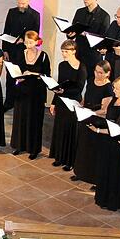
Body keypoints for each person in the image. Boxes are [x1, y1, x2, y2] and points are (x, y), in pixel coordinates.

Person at [93, 75, 120, 209]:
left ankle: (112, 201)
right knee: (104, 169)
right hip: (107, 141)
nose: (114, 90)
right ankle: (103, 198)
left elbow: (118, 130)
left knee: (113, 172)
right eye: (113, 87)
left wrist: (98, 130)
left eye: (116, 88)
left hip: (116, 144)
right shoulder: (115, 99)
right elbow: (108, 115)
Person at [10, 30, 50, 158]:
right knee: (20, 118)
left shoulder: (43, 56)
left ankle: (33, 149)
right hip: (22, 91)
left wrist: (34, 74)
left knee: (34, 120)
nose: (28, 45)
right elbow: (16, 70)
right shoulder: (20, 53)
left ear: (37, 42)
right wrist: (18, 77)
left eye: (31, 42)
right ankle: (19, 145)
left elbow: (47, 75)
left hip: (36, 92)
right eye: (26, 42)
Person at [71, 61, 114, 179]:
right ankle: (80, 172)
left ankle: (92, 176)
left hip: (97, 120)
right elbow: (86, 97)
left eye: (100, 73)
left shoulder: (108, 88)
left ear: (107, 73)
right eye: (96, 71)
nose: (97, 74)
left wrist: (91, 113)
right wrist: (80, 106)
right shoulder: (91, 81)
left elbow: (104, 110)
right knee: (83, 146)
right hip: (86, 116)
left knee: (93, 150)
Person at [49, 40, 87, 169]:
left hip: (73, 102)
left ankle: (69, 161)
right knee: (60, 129)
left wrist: (64, 91)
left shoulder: (82, 67)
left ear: (74, 51)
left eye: (66, 51)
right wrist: (53, 103)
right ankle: (59, 157)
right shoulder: (62, 65)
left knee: (71, 131)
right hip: (61, 101)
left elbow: (79, 88)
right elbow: (59, 85)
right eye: (62, 51)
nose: (63, 54)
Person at [2, 0, 41, 110]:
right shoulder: (12, 12)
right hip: (12, 50)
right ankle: (9, 102)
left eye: (23, 3)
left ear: (28, 2)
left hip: (25, 51)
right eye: (19, 3)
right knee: (10, 77)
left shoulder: (35, 15)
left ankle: (20, 102)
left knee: (23, 76)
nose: (21, 6)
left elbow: (35, 35)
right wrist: (5, 50)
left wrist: (24, 40)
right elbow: (6, 31)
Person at [70, 0, 110, 80]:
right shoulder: (79, 12)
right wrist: (70, 34)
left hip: (93, 56)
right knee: (75, 81)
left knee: (91, 82)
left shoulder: (104, 16)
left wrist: (86, 34)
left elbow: (103, 38)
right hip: (78, 54)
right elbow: (73, 31)